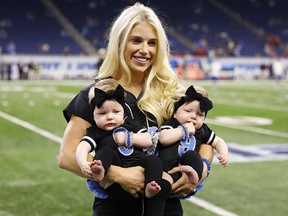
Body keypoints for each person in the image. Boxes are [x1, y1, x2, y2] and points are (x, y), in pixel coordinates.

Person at [58, 2, 214, 216]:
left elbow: (204, 138)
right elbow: (67, 156)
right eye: (136, 41)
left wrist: (202, 169)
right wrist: (118, 175)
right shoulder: (96, 94)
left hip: (166, 208)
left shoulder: (172, 93)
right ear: (120, 43)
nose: (145, 50)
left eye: (152, 43)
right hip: (115, 209)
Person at [75, 79, 171, 215]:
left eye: (116, 112)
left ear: (123, 111)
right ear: (93, 115)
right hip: (116, 177)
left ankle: (152, 185)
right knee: (105, 151)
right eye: (102, 113)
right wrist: (83, 162)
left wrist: (129, 138)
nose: (110, 117)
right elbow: (82, 147)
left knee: (154, 161)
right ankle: (100, 170)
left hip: (138, 164)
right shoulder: (95, 131)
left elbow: (147, 140)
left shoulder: (130, 124)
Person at [158, 85, 229, 193]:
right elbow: (163, 139)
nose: (193, 116)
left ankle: (194, 175)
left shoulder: (202, 130)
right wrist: (183, 130)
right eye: (188, 111)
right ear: (175, 113)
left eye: (200, 114)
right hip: (167, 170)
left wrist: (223, 152)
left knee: (194, 156)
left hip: (187, 172)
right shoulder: (173, 123)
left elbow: (218, 141)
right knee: (162, 189)